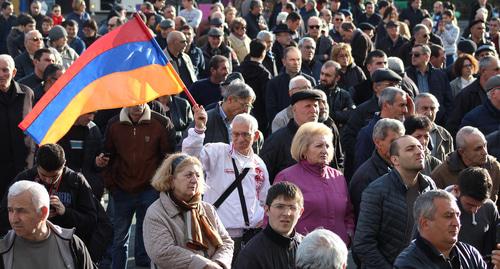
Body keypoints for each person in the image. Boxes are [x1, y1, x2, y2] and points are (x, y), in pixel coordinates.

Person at [183, 106, 269, 262]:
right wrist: (199, 129)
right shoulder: (217, 152)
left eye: (246, 134)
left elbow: (264, 198)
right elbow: (190, 159)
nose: (240, 139)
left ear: (256, 136)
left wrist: (260, 221)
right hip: (218, 233)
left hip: (251, 236)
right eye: (236, 134)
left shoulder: (259, 164)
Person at [101, 103, 176, 268]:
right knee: (119, 236)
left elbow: (169, 158)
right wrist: (112, 186)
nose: (138, 105)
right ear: (126, 102)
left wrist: (160, 185)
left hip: (150, 189)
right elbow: (107, 156)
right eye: (133, 102)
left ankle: (143, 266)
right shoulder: (114, 124)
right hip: (121, 189)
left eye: (142, 100)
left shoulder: (161, 123)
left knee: (147, 233)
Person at [353, 135, 437, 268]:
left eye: (420, 148)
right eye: (410, 149)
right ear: (395, 160)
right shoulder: (376, 191)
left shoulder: (429, 185)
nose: (419, 151)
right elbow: (363, 243)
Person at [142, 153, 233, 268]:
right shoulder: (156, 213)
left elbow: (226, 242)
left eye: (198, 175)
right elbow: (163, 252)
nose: (195, 180)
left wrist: (218, 263)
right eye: (189, 175)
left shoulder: (207, 208)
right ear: (171, 180)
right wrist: (205, 266)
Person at [274, 122, 355, 245]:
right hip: (302, 253)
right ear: (303, 149)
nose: (324, 150)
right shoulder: (287, 177)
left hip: (337, 253)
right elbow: (274, 216)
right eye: (319, 146)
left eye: (327, 146)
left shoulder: (338, 176)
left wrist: (348, 233)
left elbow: (348, 213)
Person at [1, 180, 94, 268]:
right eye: (10, 210)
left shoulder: (72, 245)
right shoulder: (3, 248)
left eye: (21, 211)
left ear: (43, 213)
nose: (14, 219)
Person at [394, 190, 488, 268]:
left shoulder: (470, 254)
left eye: (458, 215)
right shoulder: (408, 263)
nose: (456, 223)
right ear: (425, 223)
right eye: (448, 216)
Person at [235, 182, 304, 269]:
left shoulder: (307, 248)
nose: (287, 213)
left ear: (301, 212)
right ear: (267, 210)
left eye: (292, 207)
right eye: (280, 206)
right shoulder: (252, 254)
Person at [349, 118, 405, 220]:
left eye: (401, 141)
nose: (398, 146)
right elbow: (364, 221)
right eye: (393, 141)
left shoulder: (403, 168)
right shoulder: (365, 177)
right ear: (378, 143)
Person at [261, 90, 322, 182]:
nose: (314, 110)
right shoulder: (277, 141)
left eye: (316, 106)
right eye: (308, 106)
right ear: (294, 109)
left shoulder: (325, 136)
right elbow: (263, 176)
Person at [431, 126, 500, 205]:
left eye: (485, 145)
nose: (485, 152)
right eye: (478, 149)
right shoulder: (441, 174)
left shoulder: (494, 167)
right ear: (462, 152)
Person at [0, 54, 35, 199]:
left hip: (23, 167)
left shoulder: (27, 94)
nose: (1, 74)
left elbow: (31, 131)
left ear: (14, 72)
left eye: (5, 70)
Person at [451, 167, 499, 266]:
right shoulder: (439, 209)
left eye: (479, 205)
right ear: (457, 190)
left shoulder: (489, 208)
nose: (474, 210)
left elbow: (494, 244)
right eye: (470, 204)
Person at [354, 86, 409, 168]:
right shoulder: (367, 133)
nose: (405, 110)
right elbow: (362, 168)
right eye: (401, 105)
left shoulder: (404, 128)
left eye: (406, 105)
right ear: (386, 105)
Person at [447, 56, 500, 136]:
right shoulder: (465, 95)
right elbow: (453, 127)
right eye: (496, 69)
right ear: (483, 71)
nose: (499, 72)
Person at [266, 46, 317, 123]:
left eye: (298, 59)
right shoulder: (274, 83)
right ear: (284, 61)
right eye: (292, 60)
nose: (296, 63)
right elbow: (271, 110)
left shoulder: (310, 81)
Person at [405, 44, 452, 125]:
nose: (413, 57)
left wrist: (445, 118)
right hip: (413, 121)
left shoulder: (440, 75)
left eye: (416, 54)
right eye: (411, 54)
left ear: (427, 56)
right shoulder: (406, 75)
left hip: (438, 121)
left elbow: (448, 100)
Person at [235, 39, 272, 134]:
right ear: (263, 53)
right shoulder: (265, 74)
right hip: (260, 117)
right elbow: (267, 98)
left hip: (238, 111)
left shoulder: (239, 69)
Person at [414, 93, 453, 162]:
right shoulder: (407, 131)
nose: (429, 113)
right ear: (415, 109)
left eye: (432, 109)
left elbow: (450, 163)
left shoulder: (445, 135)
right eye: (425, 108)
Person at [316, 60, 355, 130]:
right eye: (322, 74)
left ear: (337, 78)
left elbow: (352, 114)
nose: (323, 78)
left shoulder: (344, 95)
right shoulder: (314, 92)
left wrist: (328, 113)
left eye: (327, 75)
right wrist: (340, 114)